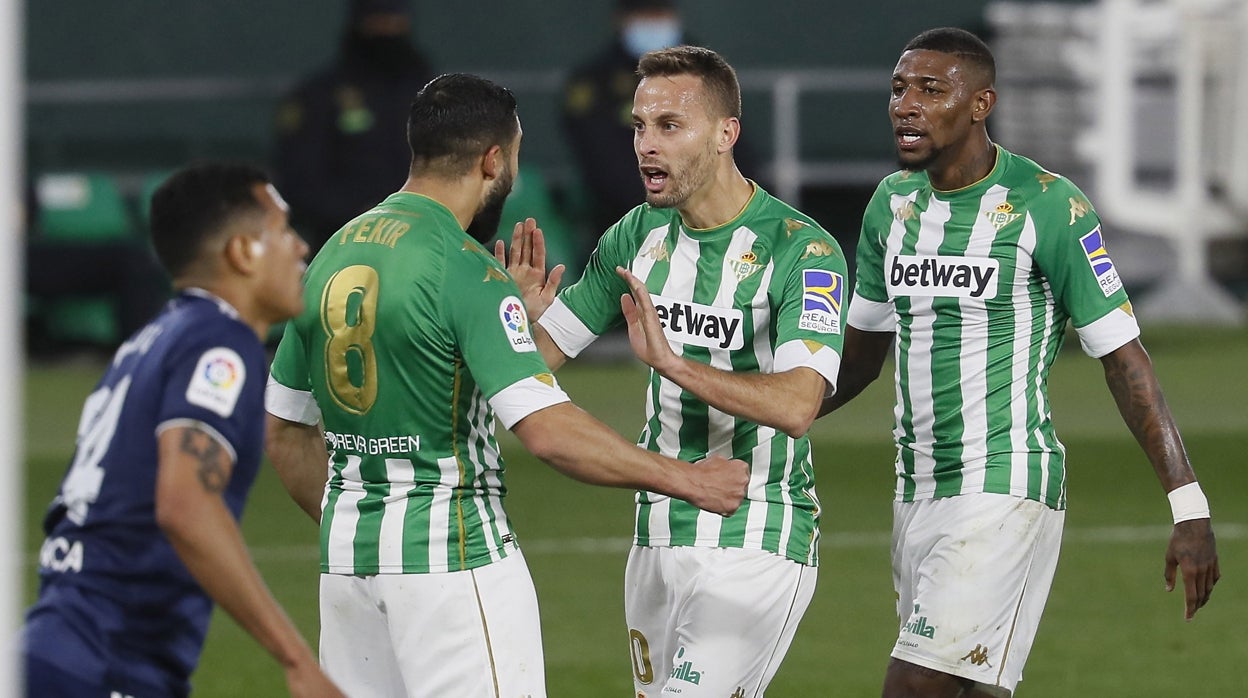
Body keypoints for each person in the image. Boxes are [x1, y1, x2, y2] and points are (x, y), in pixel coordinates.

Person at [262, 72, 750, 698]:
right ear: (494, 160)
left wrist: (362, 530)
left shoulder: (332, 255)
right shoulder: (465, 270)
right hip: (454, 562)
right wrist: (687, 478)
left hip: (348, 569)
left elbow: (284, 429)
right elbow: (547, 432)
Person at [820, 27, 1221, 697]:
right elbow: (858, 358)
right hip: (916, 490)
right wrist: (759, 416)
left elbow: (1125, 361)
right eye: (897, 89)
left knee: (914, 686)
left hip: (1005, 486)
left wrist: (1189, 505)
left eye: (930, 89)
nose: (905, 105)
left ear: (981, 104)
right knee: (976, 689)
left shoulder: (1047, 205)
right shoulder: (891, 207)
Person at [511, 45, 845, 697]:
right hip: (657, 532)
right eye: (639, 125)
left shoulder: (801, 250)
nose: (645, 146)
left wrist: (672, 363)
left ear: (726, 134)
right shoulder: (637, 235)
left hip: (756, 531)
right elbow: (536, 362)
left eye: (669, 126)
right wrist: (513, 319)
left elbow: (798, 404)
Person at [22, 162, 343, 698]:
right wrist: (296, 659)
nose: (301, 248)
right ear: (242, 252)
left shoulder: (151, 341)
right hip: (107, 661)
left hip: (65, 646)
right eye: (283, 231)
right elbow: (186, 504)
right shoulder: (219, 345)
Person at [561, 0, 765, 238]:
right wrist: (661, 206)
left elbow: (737, 152)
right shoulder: (594, 81)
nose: (654, 23)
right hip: (624, 220)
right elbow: (604, 165)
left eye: (660, 13)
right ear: (621, 20)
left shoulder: (706, 70)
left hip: (708, 220)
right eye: (645, 14)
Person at [272, 0, 435, 250]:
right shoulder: (320, 95)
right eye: (378, 21)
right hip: (345, 245)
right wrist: (366, 214)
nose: (388, 30)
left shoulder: (430, 92)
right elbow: (299, 181)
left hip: (425, 239)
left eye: (394, 21)